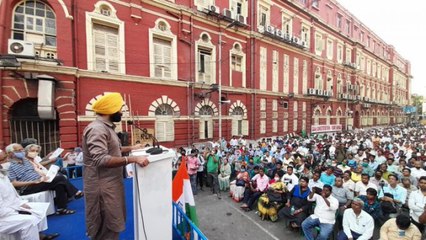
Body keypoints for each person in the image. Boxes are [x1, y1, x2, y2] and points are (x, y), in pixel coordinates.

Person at [82, 92, 149, 240]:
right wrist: (133, 159)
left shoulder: (106, 127)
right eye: (119, 109)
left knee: (112, 227)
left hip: (110, 185)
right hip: (102, 189)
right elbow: (101, 159)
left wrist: (132, 148)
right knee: (107, 229)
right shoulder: (97, 129)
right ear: (110, 110)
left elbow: (113, 150)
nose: (121, 113)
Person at [6, 143, 79, 214]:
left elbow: (35, 169)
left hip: (39, 181)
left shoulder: (25, 160)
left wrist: (43, 177)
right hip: (28, 187)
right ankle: (75, 193)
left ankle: (61, 208)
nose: (22, 152)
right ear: (10, 153)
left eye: (22, 150)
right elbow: (13, 183)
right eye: (19, 150)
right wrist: (32, 182)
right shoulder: (9, 166)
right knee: (59, 178)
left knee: (59, 184)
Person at [0, 165, 59, 240]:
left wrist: (21, 204)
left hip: (11, 207)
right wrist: (18, 210)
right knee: (30, 220)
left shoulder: (3, 175)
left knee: (40, 208)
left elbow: (13, 196)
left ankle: (40, 235)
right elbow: (1, 211)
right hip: (4, 216)